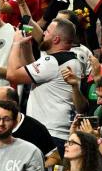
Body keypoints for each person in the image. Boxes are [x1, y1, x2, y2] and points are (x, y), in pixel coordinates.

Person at [6, 18, 86, 146]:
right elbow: (32, 70)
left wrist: (16, 43)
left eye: (47, 31)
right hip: (57, 132)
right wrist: (26, 45)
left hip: (49, 133)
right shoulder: (69, 59)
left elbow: (12, 75)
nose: (43, 33)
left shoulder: (52, 62)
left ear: (56, 39)